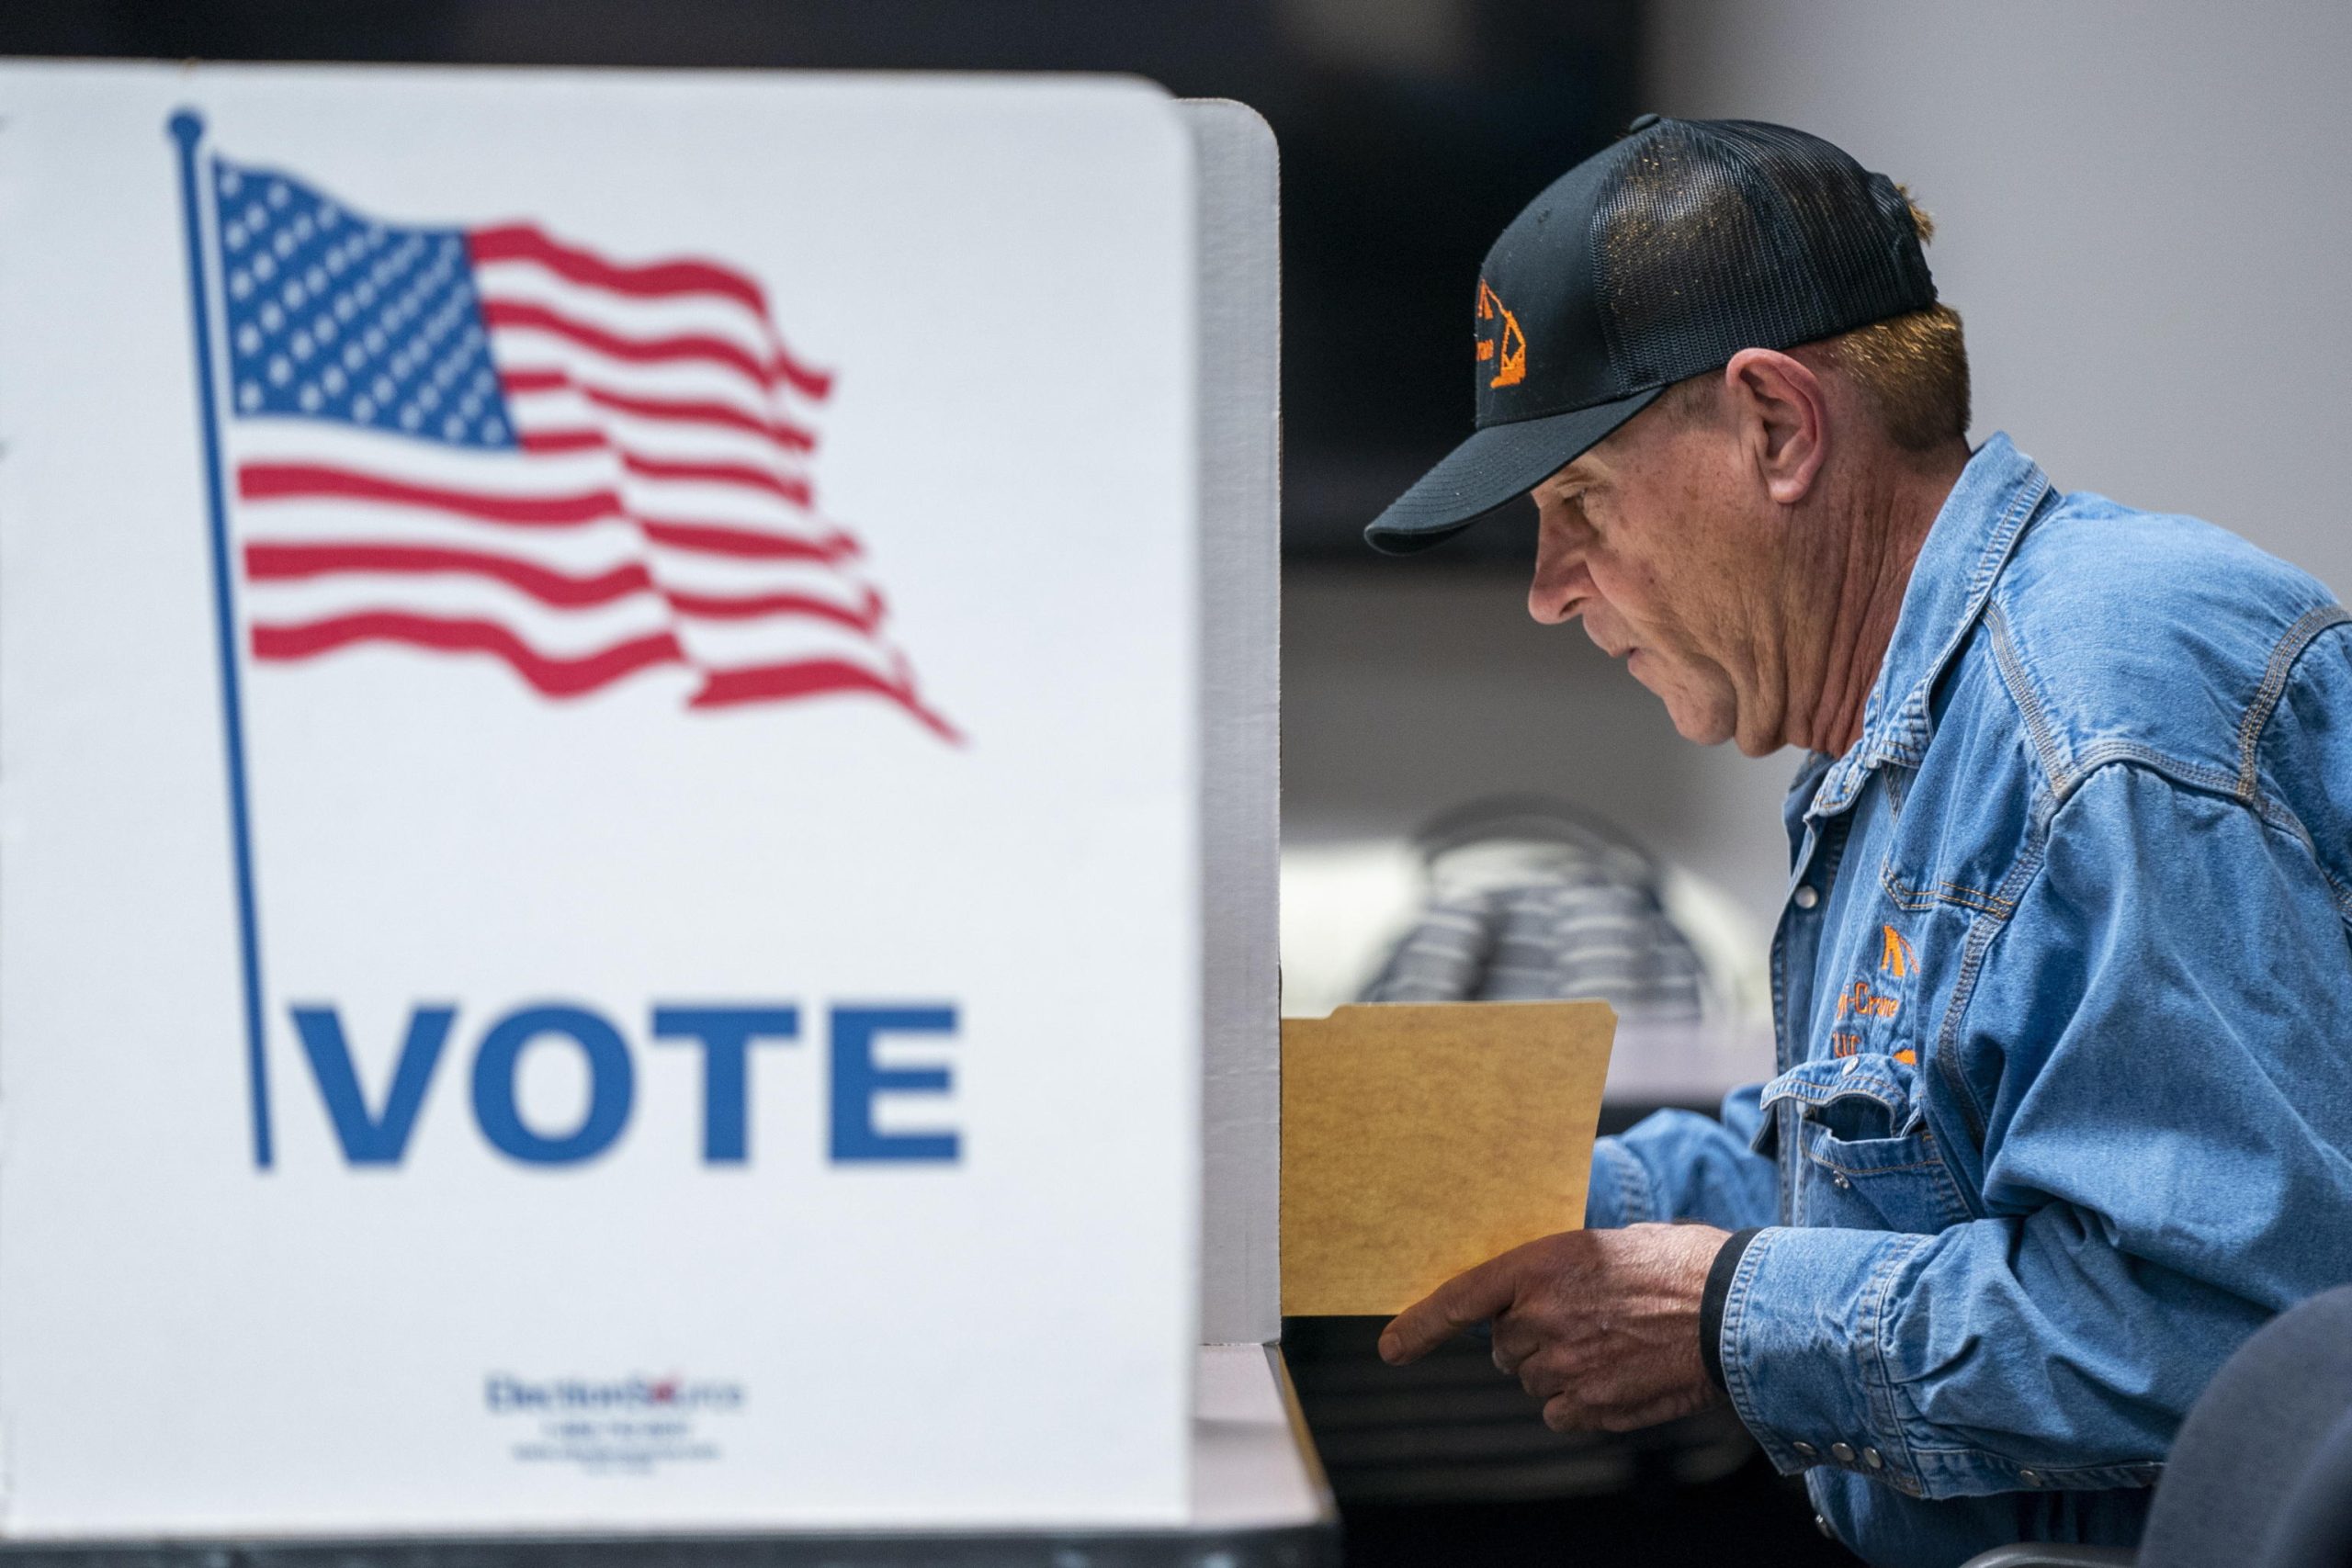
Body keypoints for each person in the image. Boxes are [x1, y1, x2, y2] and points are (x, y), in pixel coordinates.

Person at [1363, 115, 2352, 1564]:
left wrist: (1722, 1316)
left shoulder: (2099, 710)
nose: (1550, 589)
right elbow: (1879, 1182)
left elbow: (2243, 1339)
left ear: (1776, 427)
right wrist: (1493, 1201)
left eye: (1578, 502)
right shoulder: (1913, 730)